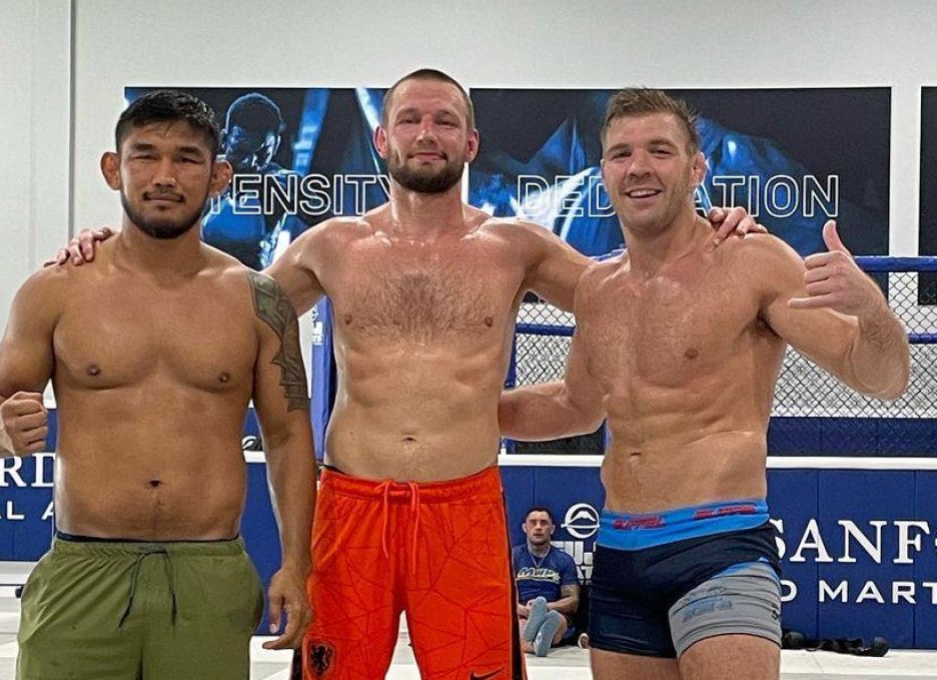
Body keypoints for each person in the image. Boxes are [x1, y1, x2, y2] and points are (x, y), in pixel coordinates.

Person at [56, 71, 761, 680]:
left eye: (446, 121)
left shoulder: (515, 247)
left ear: (471, 143)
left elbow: (636, 290)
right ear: (382, 141)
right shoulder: (333, 245)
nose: (428, 133)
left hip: (465, 511)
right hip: (351, 508)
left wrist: (708, 234)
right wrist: (113, 249)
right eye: (411, 120)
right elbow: (219, 308)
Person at [498, 88, 910, 680]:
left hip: (718, 548)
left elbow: (884, 378)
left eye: (659, 150)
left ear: (697, 167)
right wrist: (473, 411)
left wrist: (872, 311)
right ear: (602, 172)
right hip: (617, 552)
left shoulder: (752, 260)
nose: (638, 167)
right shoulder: (598, 289)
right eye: (621, 154)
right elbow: (576, 405)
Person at [0, 90, 317, 680]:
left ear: (219, 177)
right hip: (83, 569)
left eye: (186, 158)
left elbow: (287, 437)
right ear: (113, 168)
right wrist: (0, 430)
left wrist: (295, 563)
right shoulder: (55, 289)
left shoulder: (258, 300)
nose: (164, 175)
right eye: (144, 155)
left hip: (209, 573)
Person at [202, 92, 310, 268]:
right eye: (240, 152)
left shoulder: (282, 184)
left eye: (262, 154)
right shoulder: (198, 175)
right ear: (224, 139)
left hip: (252, 288)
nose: (250, 162)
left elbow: (339, 232)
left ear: (275, 146)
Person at [514, 506, 579, 657]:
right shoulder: (513, 557)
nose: (538, 527)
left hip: (554, 611)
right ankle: (537, 643)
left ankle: (531, 642)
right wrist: (524, 610)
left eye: (543, 523)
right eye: (533, 523)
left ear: (552, 528)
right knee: (522, 625)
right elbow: (502, 596)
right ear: (525, 527)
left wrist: (545, 608)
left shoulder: (564, 560)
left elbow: (573, 600)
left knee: (557, 621)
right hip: (521, 612)